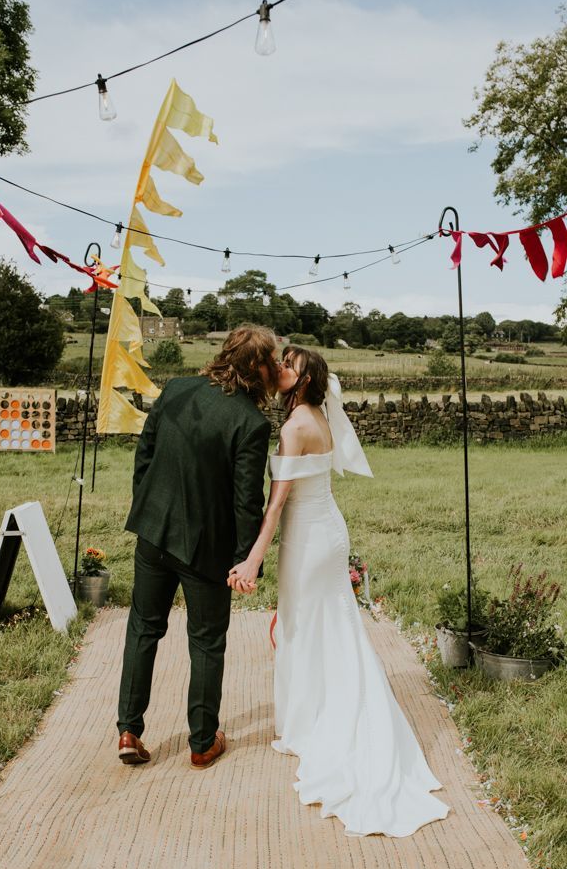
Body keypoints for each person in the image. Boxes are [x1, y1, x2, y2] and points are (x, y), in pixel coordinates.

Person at [228, 346, 450, 836]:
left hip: (308, 540)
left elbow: (275, 505)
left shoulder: (294, 428)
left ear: (305, 381)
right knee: (324, 625)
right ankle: (316, 713)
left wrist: (252, 560)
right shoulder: (318, 419)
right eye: (281, 360)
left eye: (289, 365)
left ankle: (315, 722)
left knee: (307, 626)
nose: (280, 367)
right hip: (325, 530)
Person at [117, 324, 279, 770]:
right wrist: (246, 560)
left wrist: (147, 508)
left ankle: (129, 730)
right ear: (257, 366)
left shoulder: (177, 388)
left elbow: (144, 454)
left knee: (143, 628)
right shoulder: (251, 422)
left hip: (153, 532)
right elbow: (246, 502)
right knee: (206, 642)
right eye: (272, 361)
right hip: (206, 551)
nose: (276, 368)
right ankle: (203, 743)